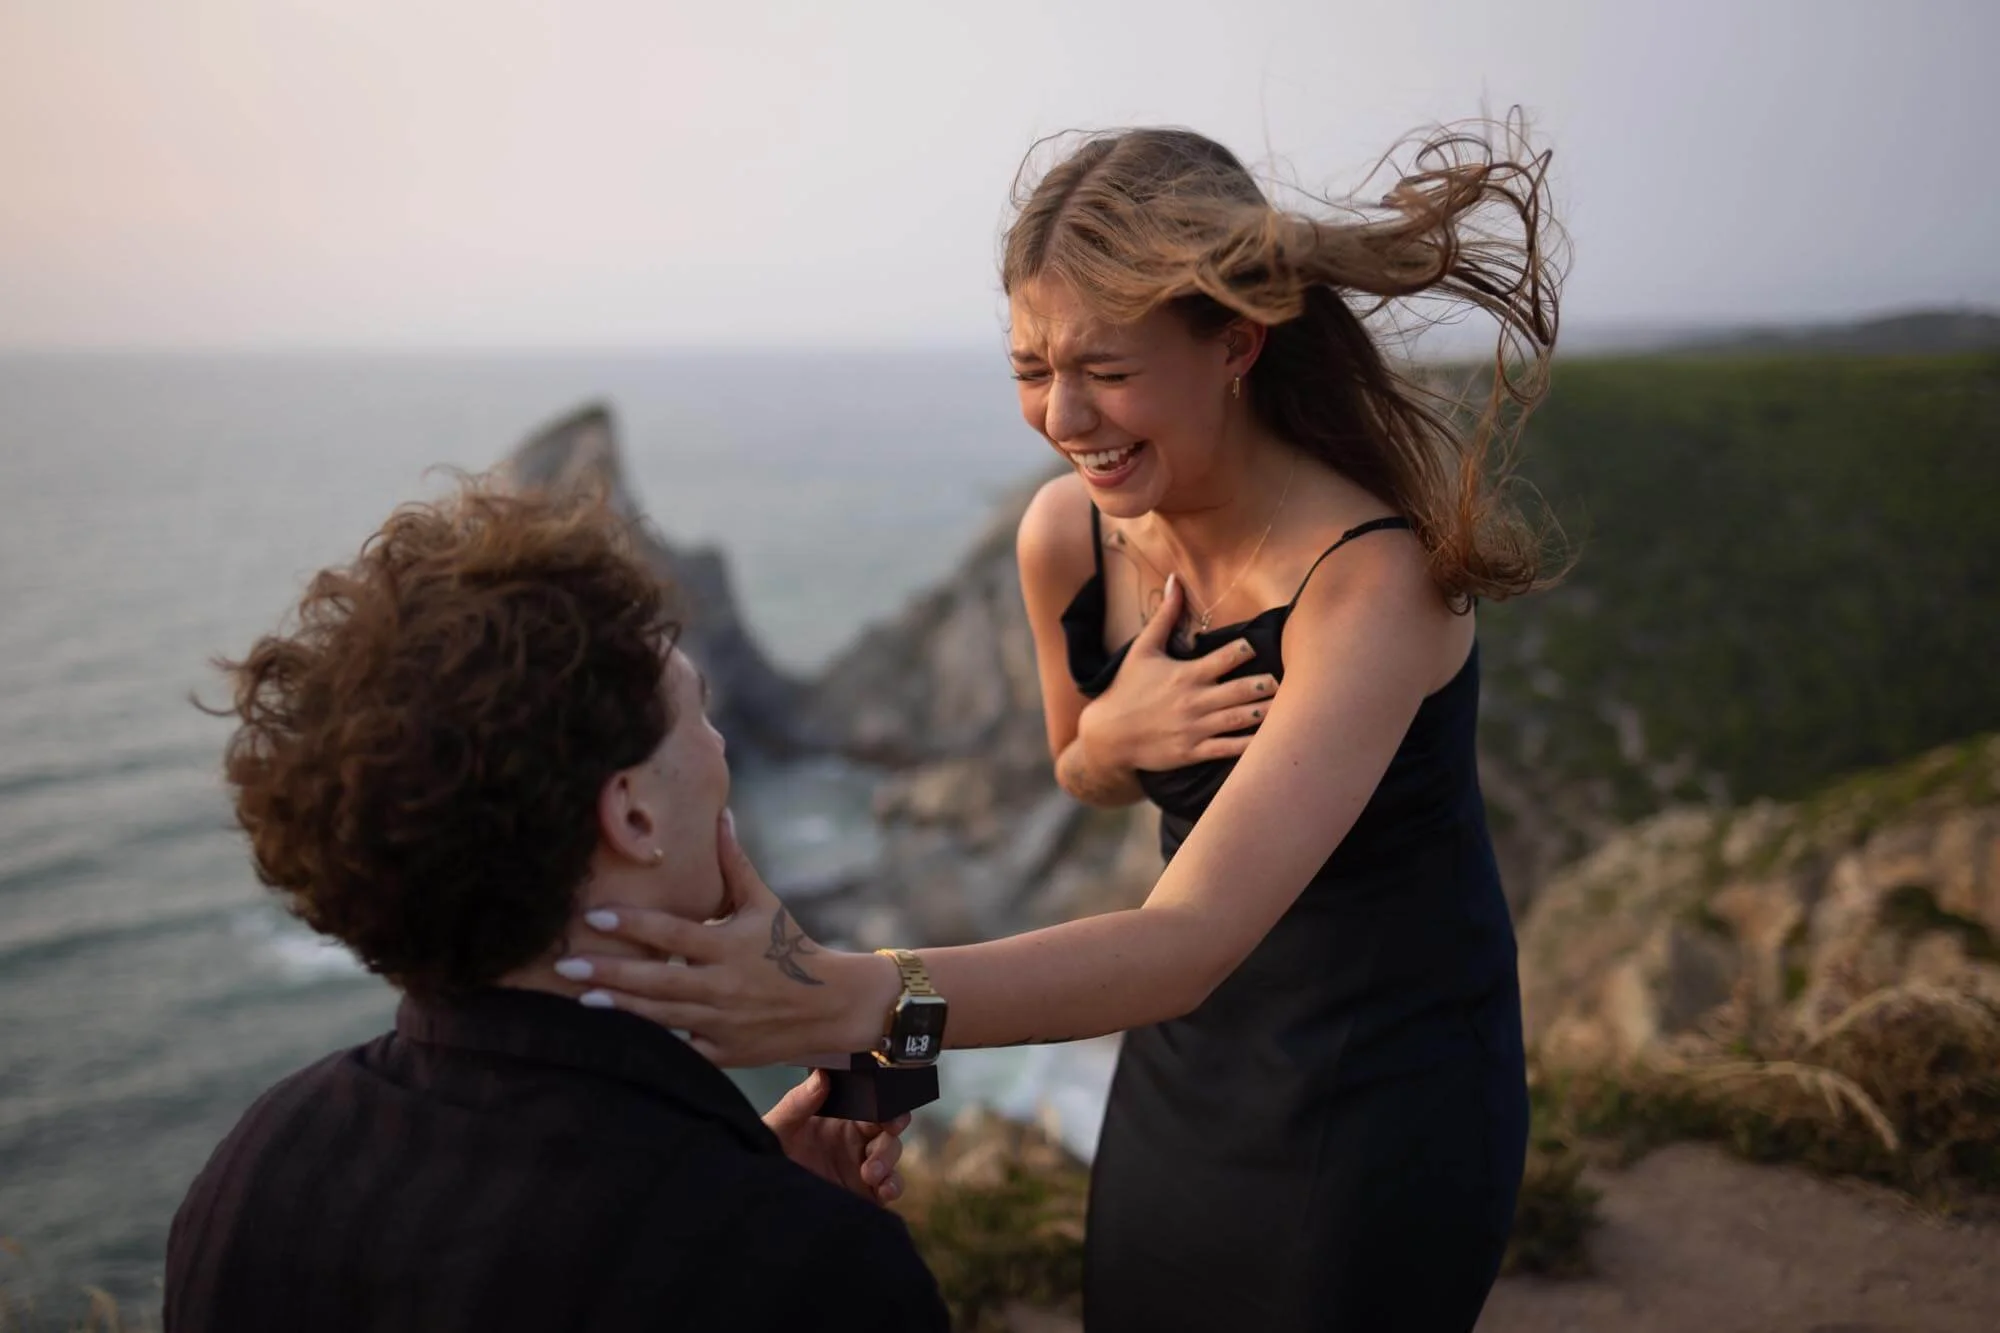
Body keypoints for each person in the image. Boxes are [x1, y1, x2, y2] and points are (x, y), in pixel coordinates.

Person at [563, 118, 1563, 1332]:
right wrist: (1117, 736)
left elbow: (1188, 933)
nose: (1063, 414)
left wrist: (847, 992)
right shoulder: (1066, 536)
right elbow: (1077, 771)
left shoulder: (1370, 583)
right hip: (1185, 1058)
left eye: (1106, 367)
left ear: (1235, 343)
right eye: (1031, 367)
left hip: (1378, 1082)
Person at [164, 483, 948, 1333]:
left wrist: (752, 1178)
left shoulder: (257, 1167)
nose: (722, 749)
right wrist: (786, 1223)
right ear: (634, 815)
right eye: (699, 715)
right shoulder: (810, 1268)